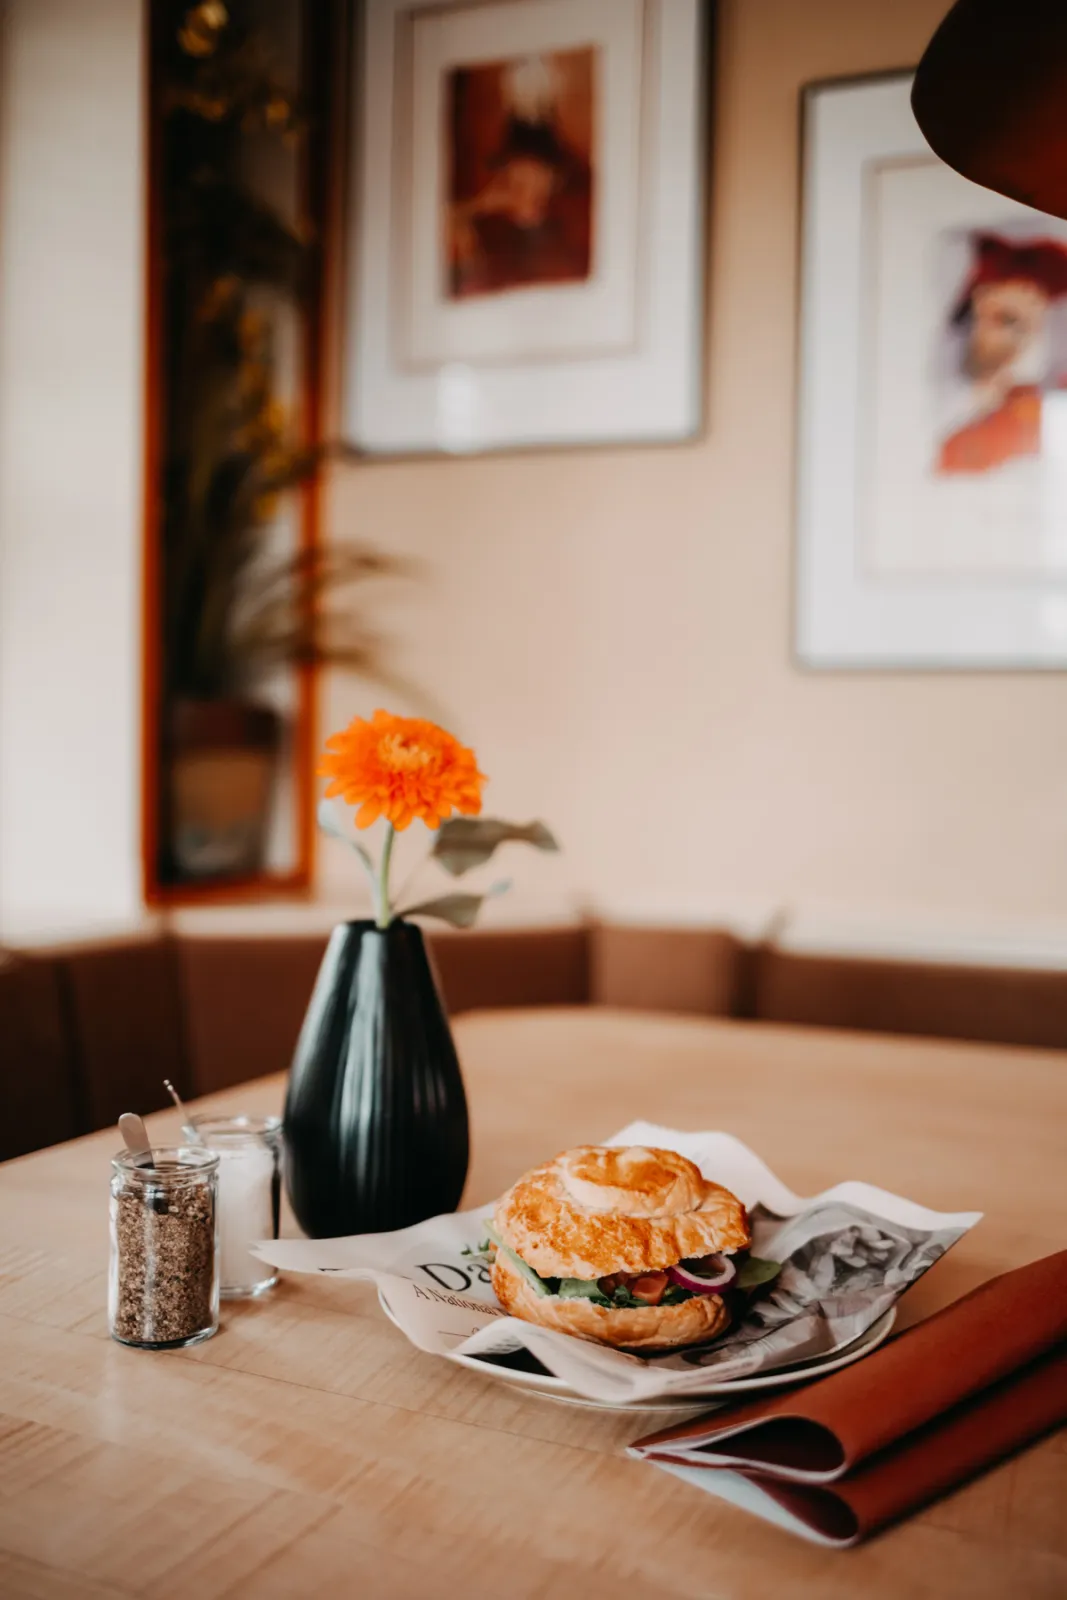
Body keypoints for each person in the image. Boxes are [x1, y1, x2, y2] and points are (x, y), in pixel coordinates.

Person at [448, 55, 593, 299]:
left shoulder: (571, 222)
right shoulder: (492, 229)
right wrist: (484, 205)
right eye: (517, 180)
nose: (526, 189)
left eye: (536, 179)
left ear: (553, 178)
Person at [938, 232, 1067, 473]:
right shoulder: (940, 404)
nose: (1018, 343)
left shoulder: (1025, 416)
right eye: (1007, 320)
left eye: (1030, 327)